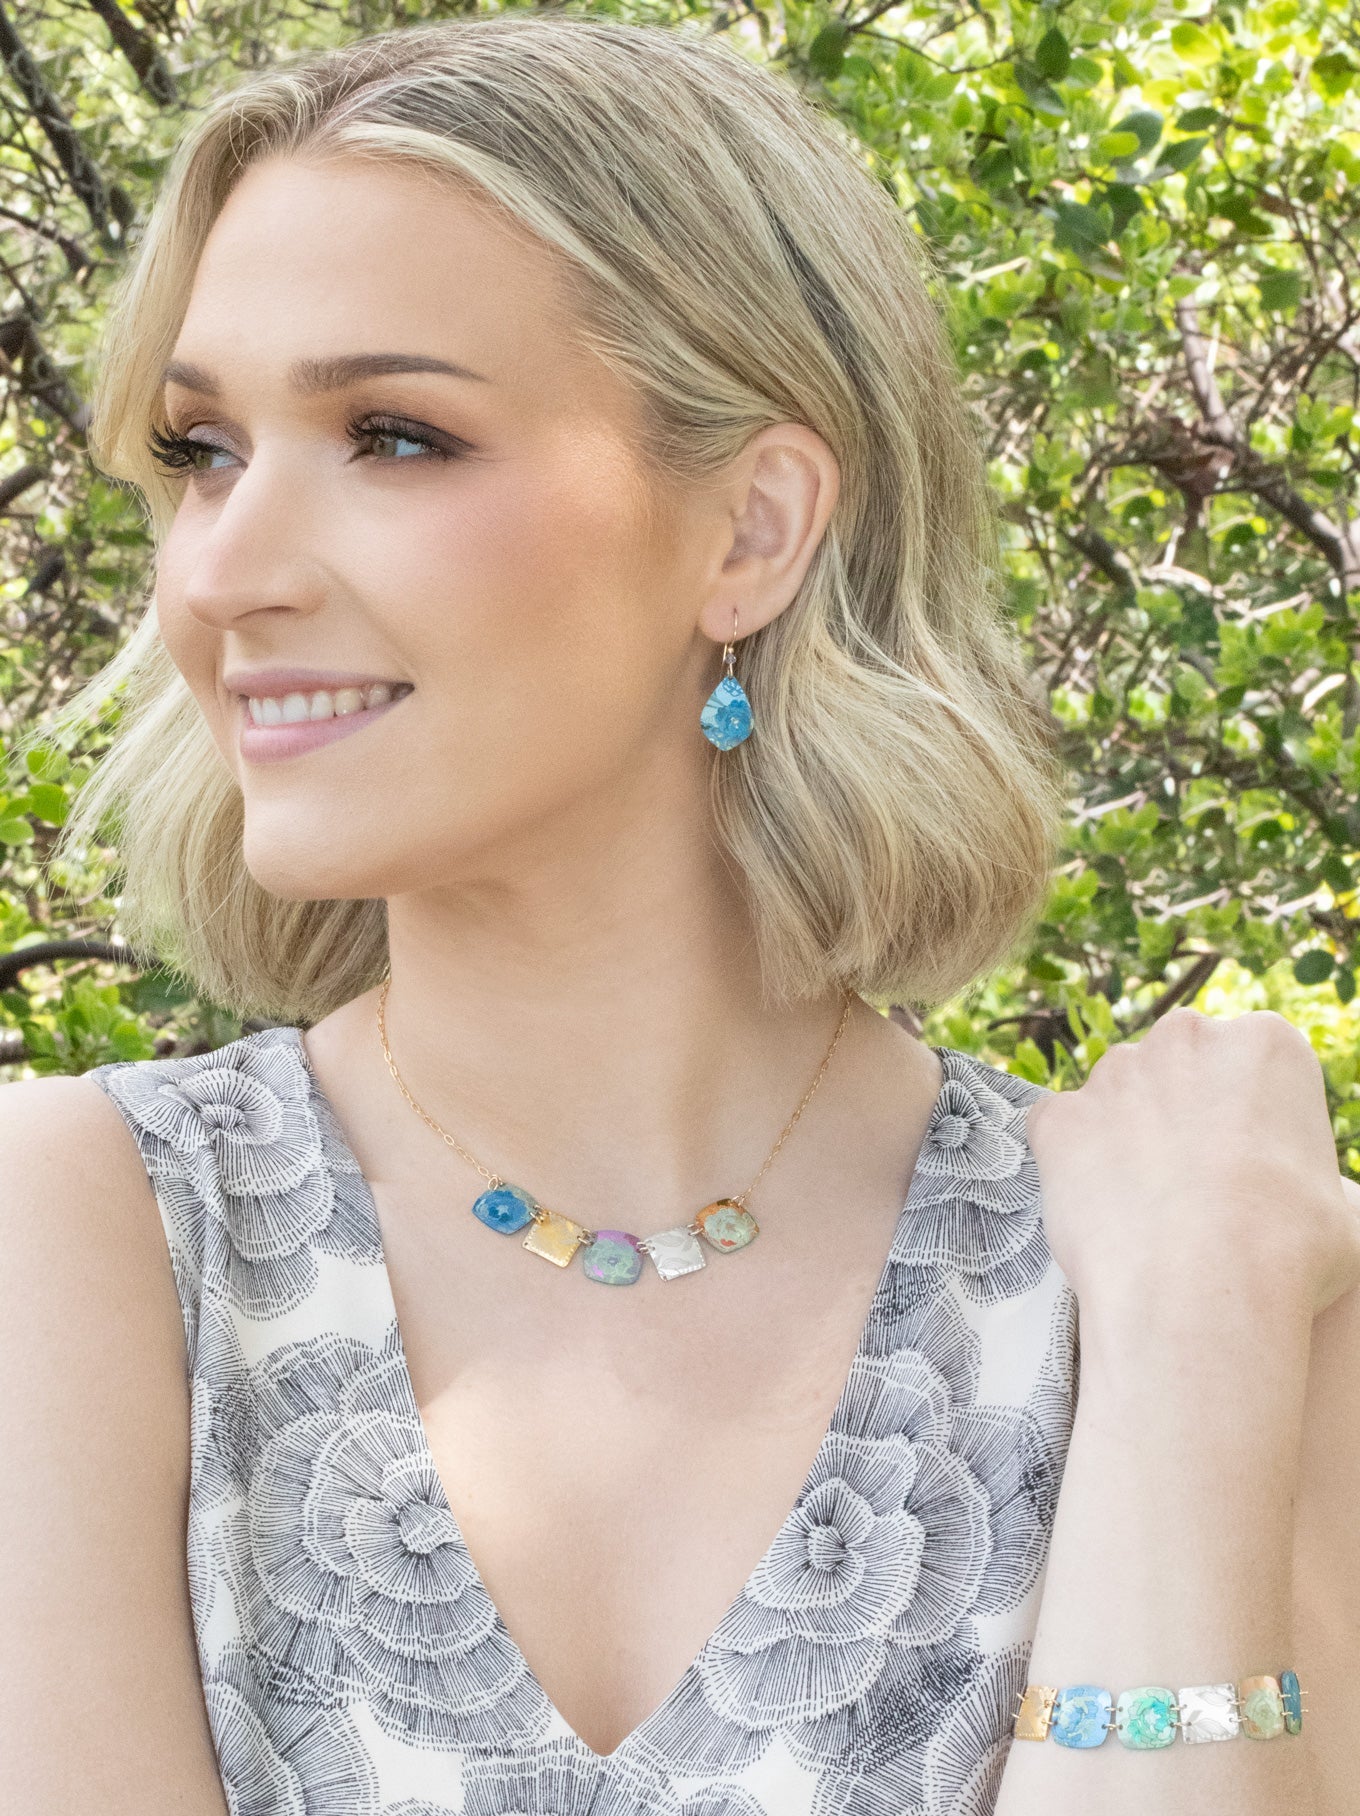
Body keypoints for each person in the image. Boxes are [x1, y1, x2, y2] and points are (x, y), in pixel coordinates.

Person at [2, 14, 1356, 1816]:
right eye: (202, 450)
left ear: (753, 529)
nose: (221, 570)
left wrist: (1190, 1357)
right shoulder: (78, 1237)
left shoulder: (1201, 1276)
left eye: (392, 435)